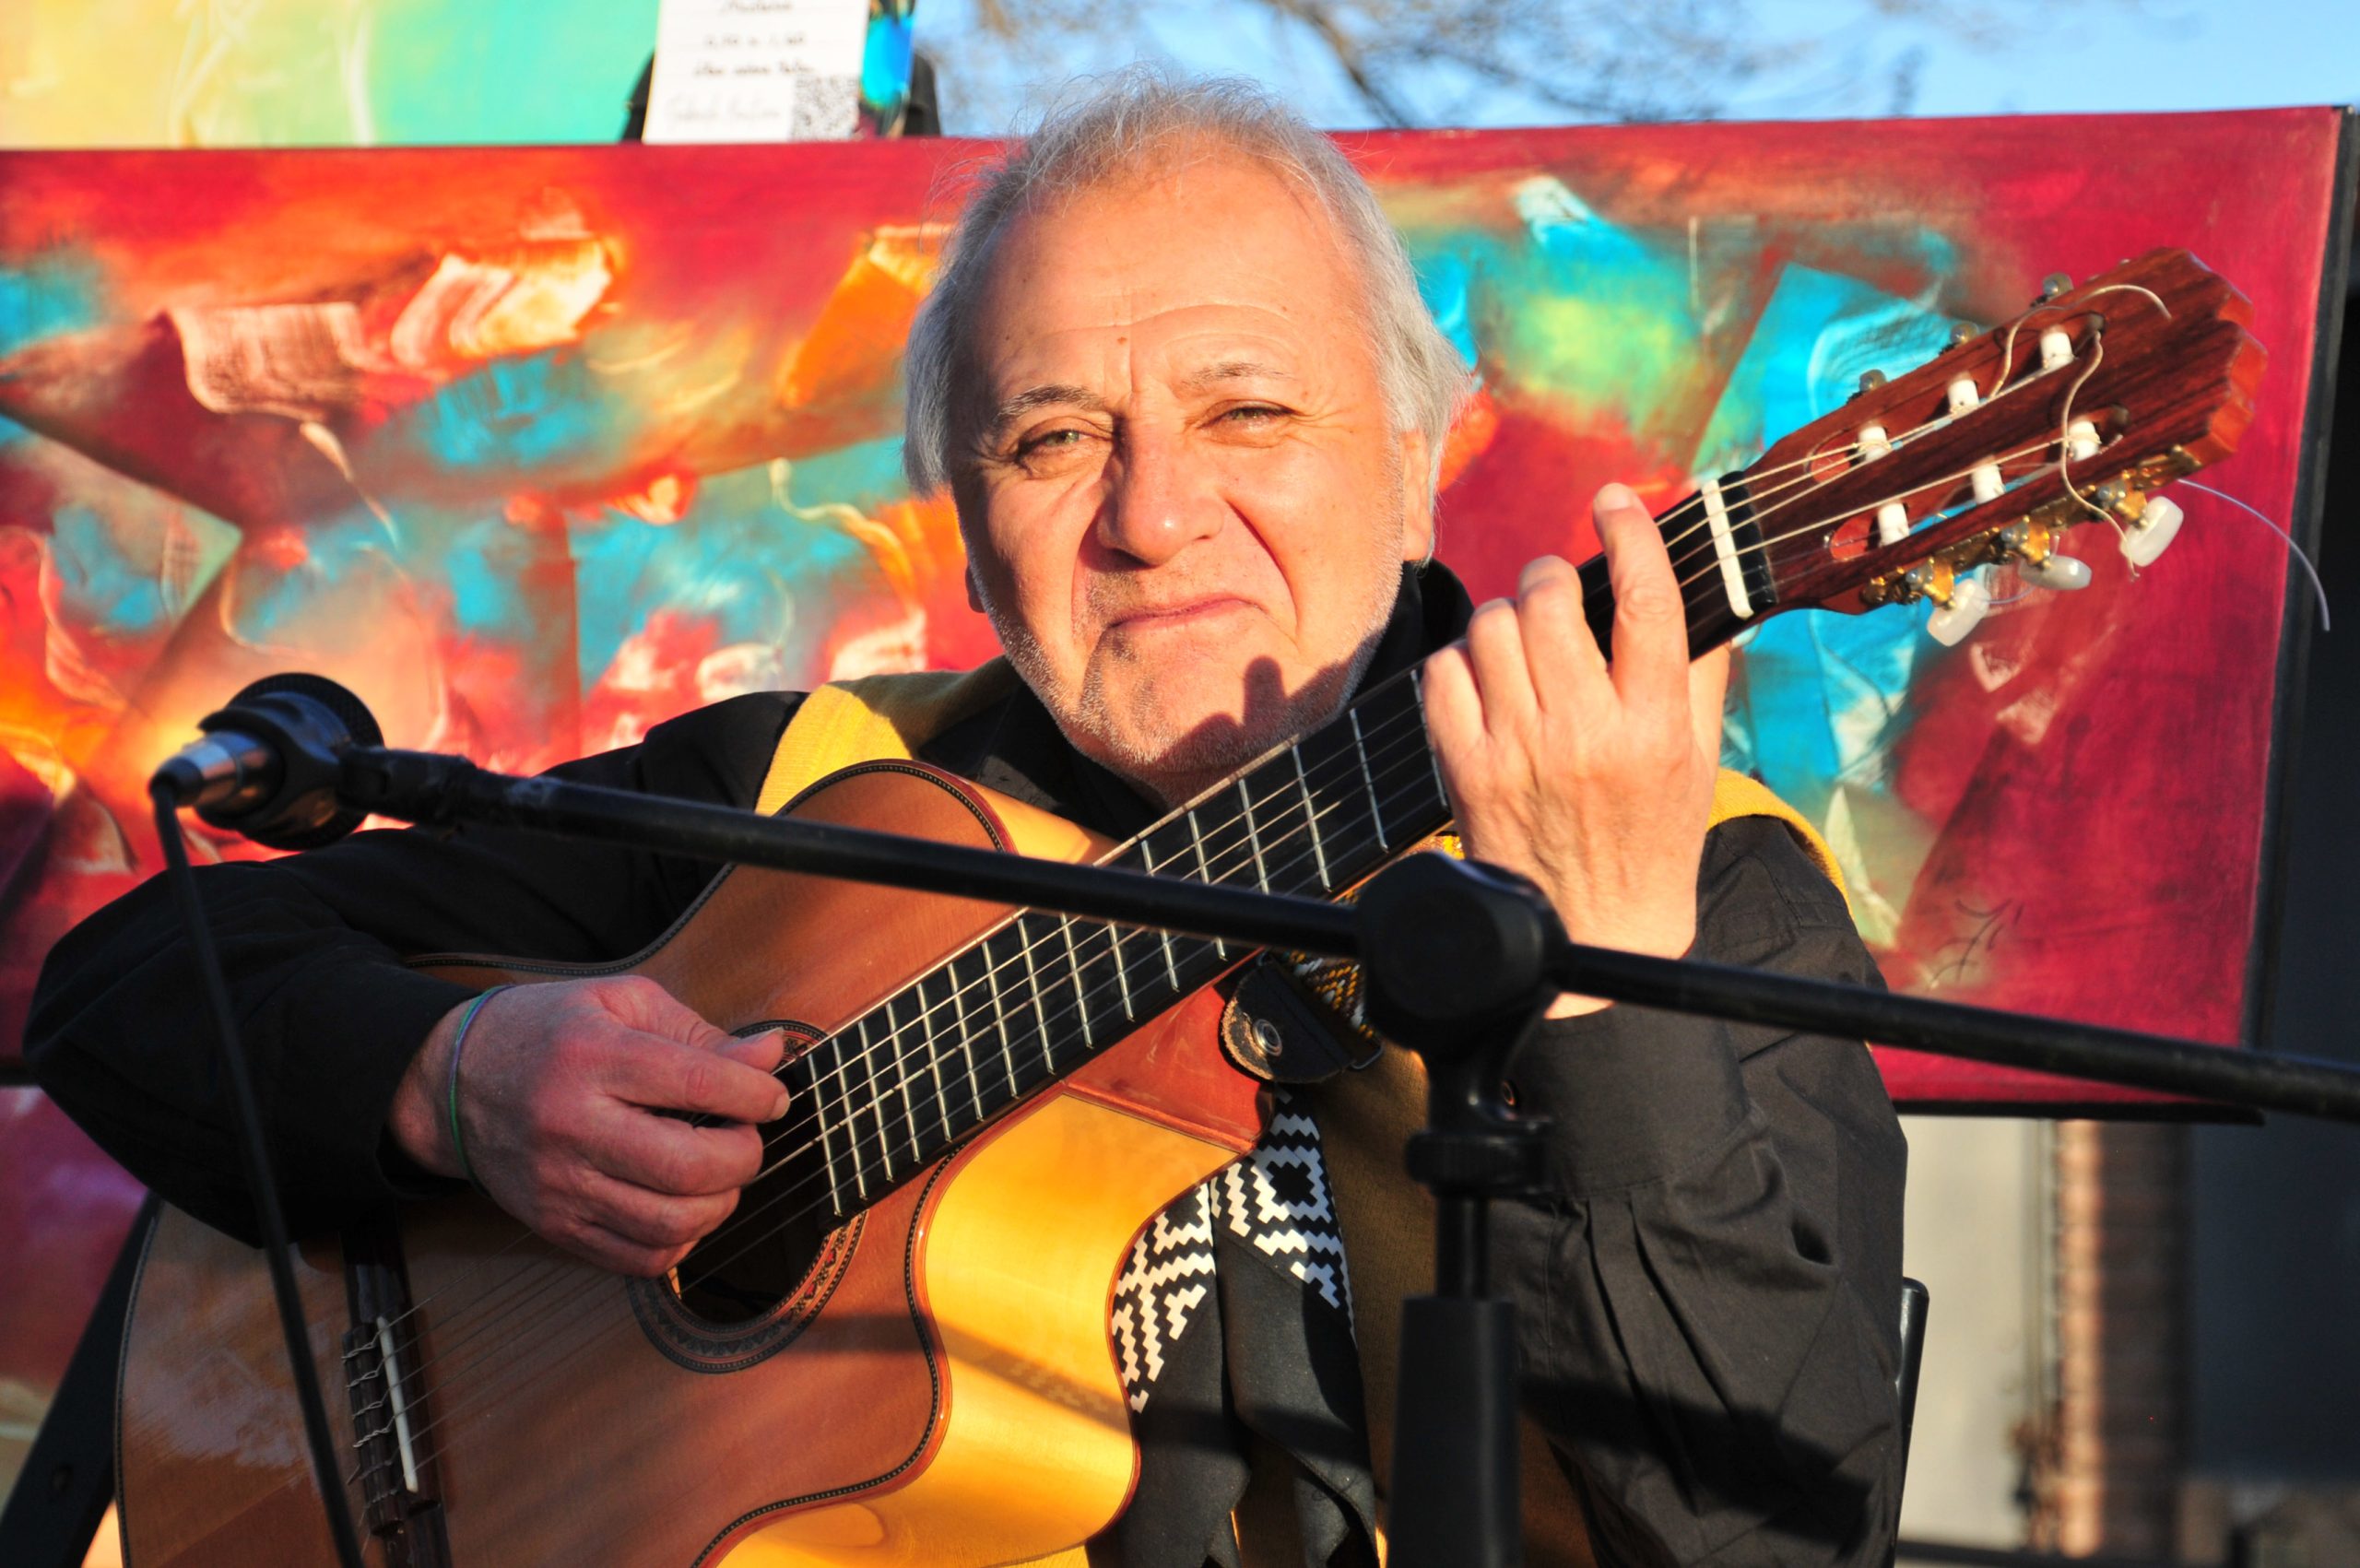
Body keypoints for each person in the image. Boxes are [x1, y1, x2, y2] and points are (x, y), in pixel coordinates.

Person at [29, 71, 1905, 1568]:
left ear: (1417, 460)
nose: (1149, 516)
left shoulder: (1700, 876)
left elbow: (1766, 1534)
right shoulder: (804, 795)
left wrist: (1605, 985)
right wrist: (454, 1078)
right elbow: (134, 977)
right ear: (974, 532)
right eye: (1052, 436)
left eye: (1246, 413)